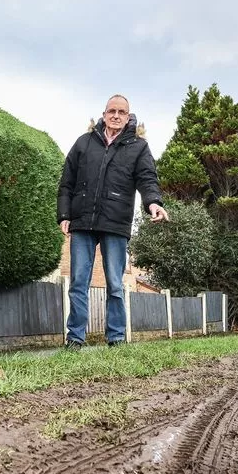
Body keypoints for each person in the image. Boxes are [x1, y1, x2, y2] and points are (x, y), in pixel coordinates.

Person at [58, 94, 169, 348]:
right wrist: (64, 215)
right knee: (78, 283)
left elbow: (147, 178)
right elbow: (66, 183)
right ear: (104, 114)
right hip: (82, 222)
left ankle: (116, 337)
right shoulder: (84, 143)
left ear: (129, 117)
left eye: (122, 112)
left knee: (116, 285)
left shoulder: (138, 147)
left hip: (116, 223)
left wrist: (154, 203)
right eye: (112, 111)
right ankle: (75, 338)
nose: (116, 116)